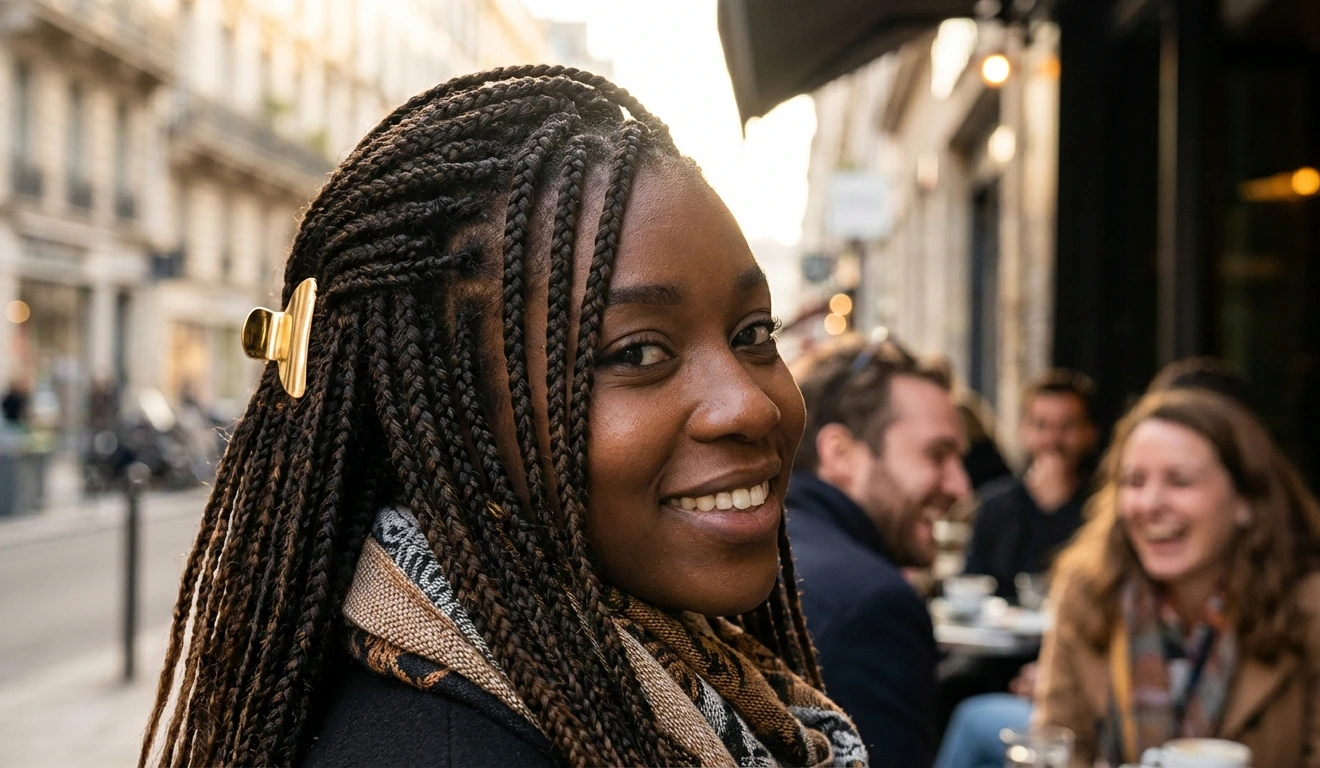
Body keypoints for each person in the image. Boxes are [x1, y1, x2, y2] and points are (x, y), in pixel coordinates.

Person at [141, 66, 867, 768]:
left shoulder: (643, 668)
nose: (750, 403)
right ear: (456, 419)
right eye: (639, 352)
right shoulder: (448, 750)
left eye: (754, 335)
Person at [1036, 388, 1320, 768]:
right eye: (1134, 481)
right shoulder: (1088, 592)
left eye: (1180, 481)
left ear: (1245, 502)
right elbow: (1055, 749)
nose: (1149, 504)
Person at [787, 334, 972, 768]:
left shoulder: (762, 547)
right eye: (937, 454)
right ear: (842, 454)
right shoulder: (875, 605)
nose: (960, 486)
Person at [964, 369, 1099, 600]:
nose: (1052, 439)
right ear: (1024, 431)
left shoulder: (1103, 504)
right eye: (1041, 425)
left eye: (1067, 426)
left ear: (1090, 433)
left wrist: (1059, 511)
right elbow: (972, 582)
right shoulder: (995, 504)